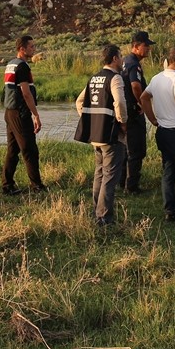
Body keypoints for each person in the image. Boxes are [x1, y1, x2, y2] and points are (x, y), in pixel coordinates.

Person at [140, 46, 175, 225]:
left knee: (169, 171)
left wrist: (153, 120)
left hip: (163, 131)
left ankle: (169, 210)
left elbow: (144, 97)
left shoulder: (157, 78)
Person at [74, 44, 128, 226]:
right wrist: (123, 123)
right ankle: (103, 217)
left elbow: (79, 101)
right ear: (114, 58)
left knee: (99, 174)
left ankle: (97, 210)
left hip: (95, 135)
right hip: (111, 135)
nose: (122, 60)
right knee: (110, 176)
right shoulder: (115, 78)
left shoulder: (94, 78)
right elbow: (120, 102)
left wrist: (91, 119)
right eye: (120, 56)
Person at [2, 34, 46, 194]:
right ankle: (37, 186)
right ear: (22, 49)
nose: (34, 49)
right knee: (30, 150)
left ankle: (7, 185)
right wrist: (36, 115)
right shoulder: (22, 66)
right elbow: (26, 93)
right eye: (31, 47)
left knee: (13, 150)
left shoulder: (10, 64)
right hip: (20, 113)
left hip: (9, 112)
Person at [121, 31, 154, 194]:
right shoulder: (134, 63)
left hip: (124, 112)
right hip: (133, 113)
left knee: (125, 149)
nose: (148, 48)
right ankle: (131, 187)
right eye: (145, 45)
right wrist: (141, 103)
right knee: (136, 150)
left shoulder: (125, 61)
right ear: (136, 46)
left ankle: (122, 182)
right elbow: (135, 85)